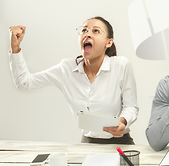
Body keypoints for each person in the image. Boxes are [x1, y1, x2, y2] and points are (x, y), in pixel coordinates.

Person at [8, 17, 139, 144]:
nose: (87, 34)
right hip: (87, 144)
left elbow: (131, 107)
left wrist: (122, 122)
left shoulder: (121, 65)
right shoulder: (66, 68)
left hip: (120, 143)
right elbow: (23, 82)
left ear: (108, 42)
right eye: (84, 30)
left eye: (96, 31)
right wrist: (15, 48)